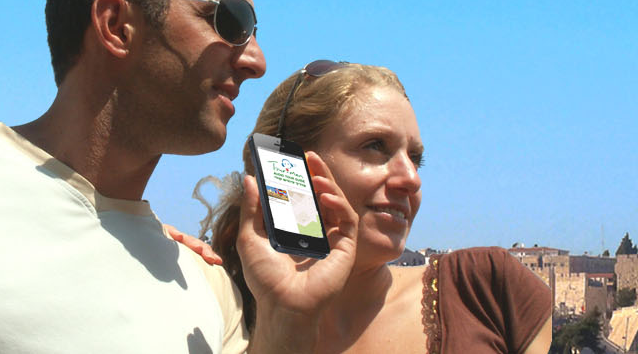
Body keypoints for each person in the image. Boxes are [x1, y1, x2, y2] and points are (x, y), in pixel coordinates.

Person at [0, 0, 358, 354]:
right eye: (231, 21)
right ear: (117, 26)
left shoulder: (207, 287)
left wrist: (290, 320)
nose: (257, 61)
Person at [204, 61, 554, 354]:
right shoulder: (213, 320)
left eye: (415, 158)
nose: (411, 178)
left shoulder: (486, 289)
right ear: (287, 167)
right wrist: (287, 320)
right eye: (375, 146)